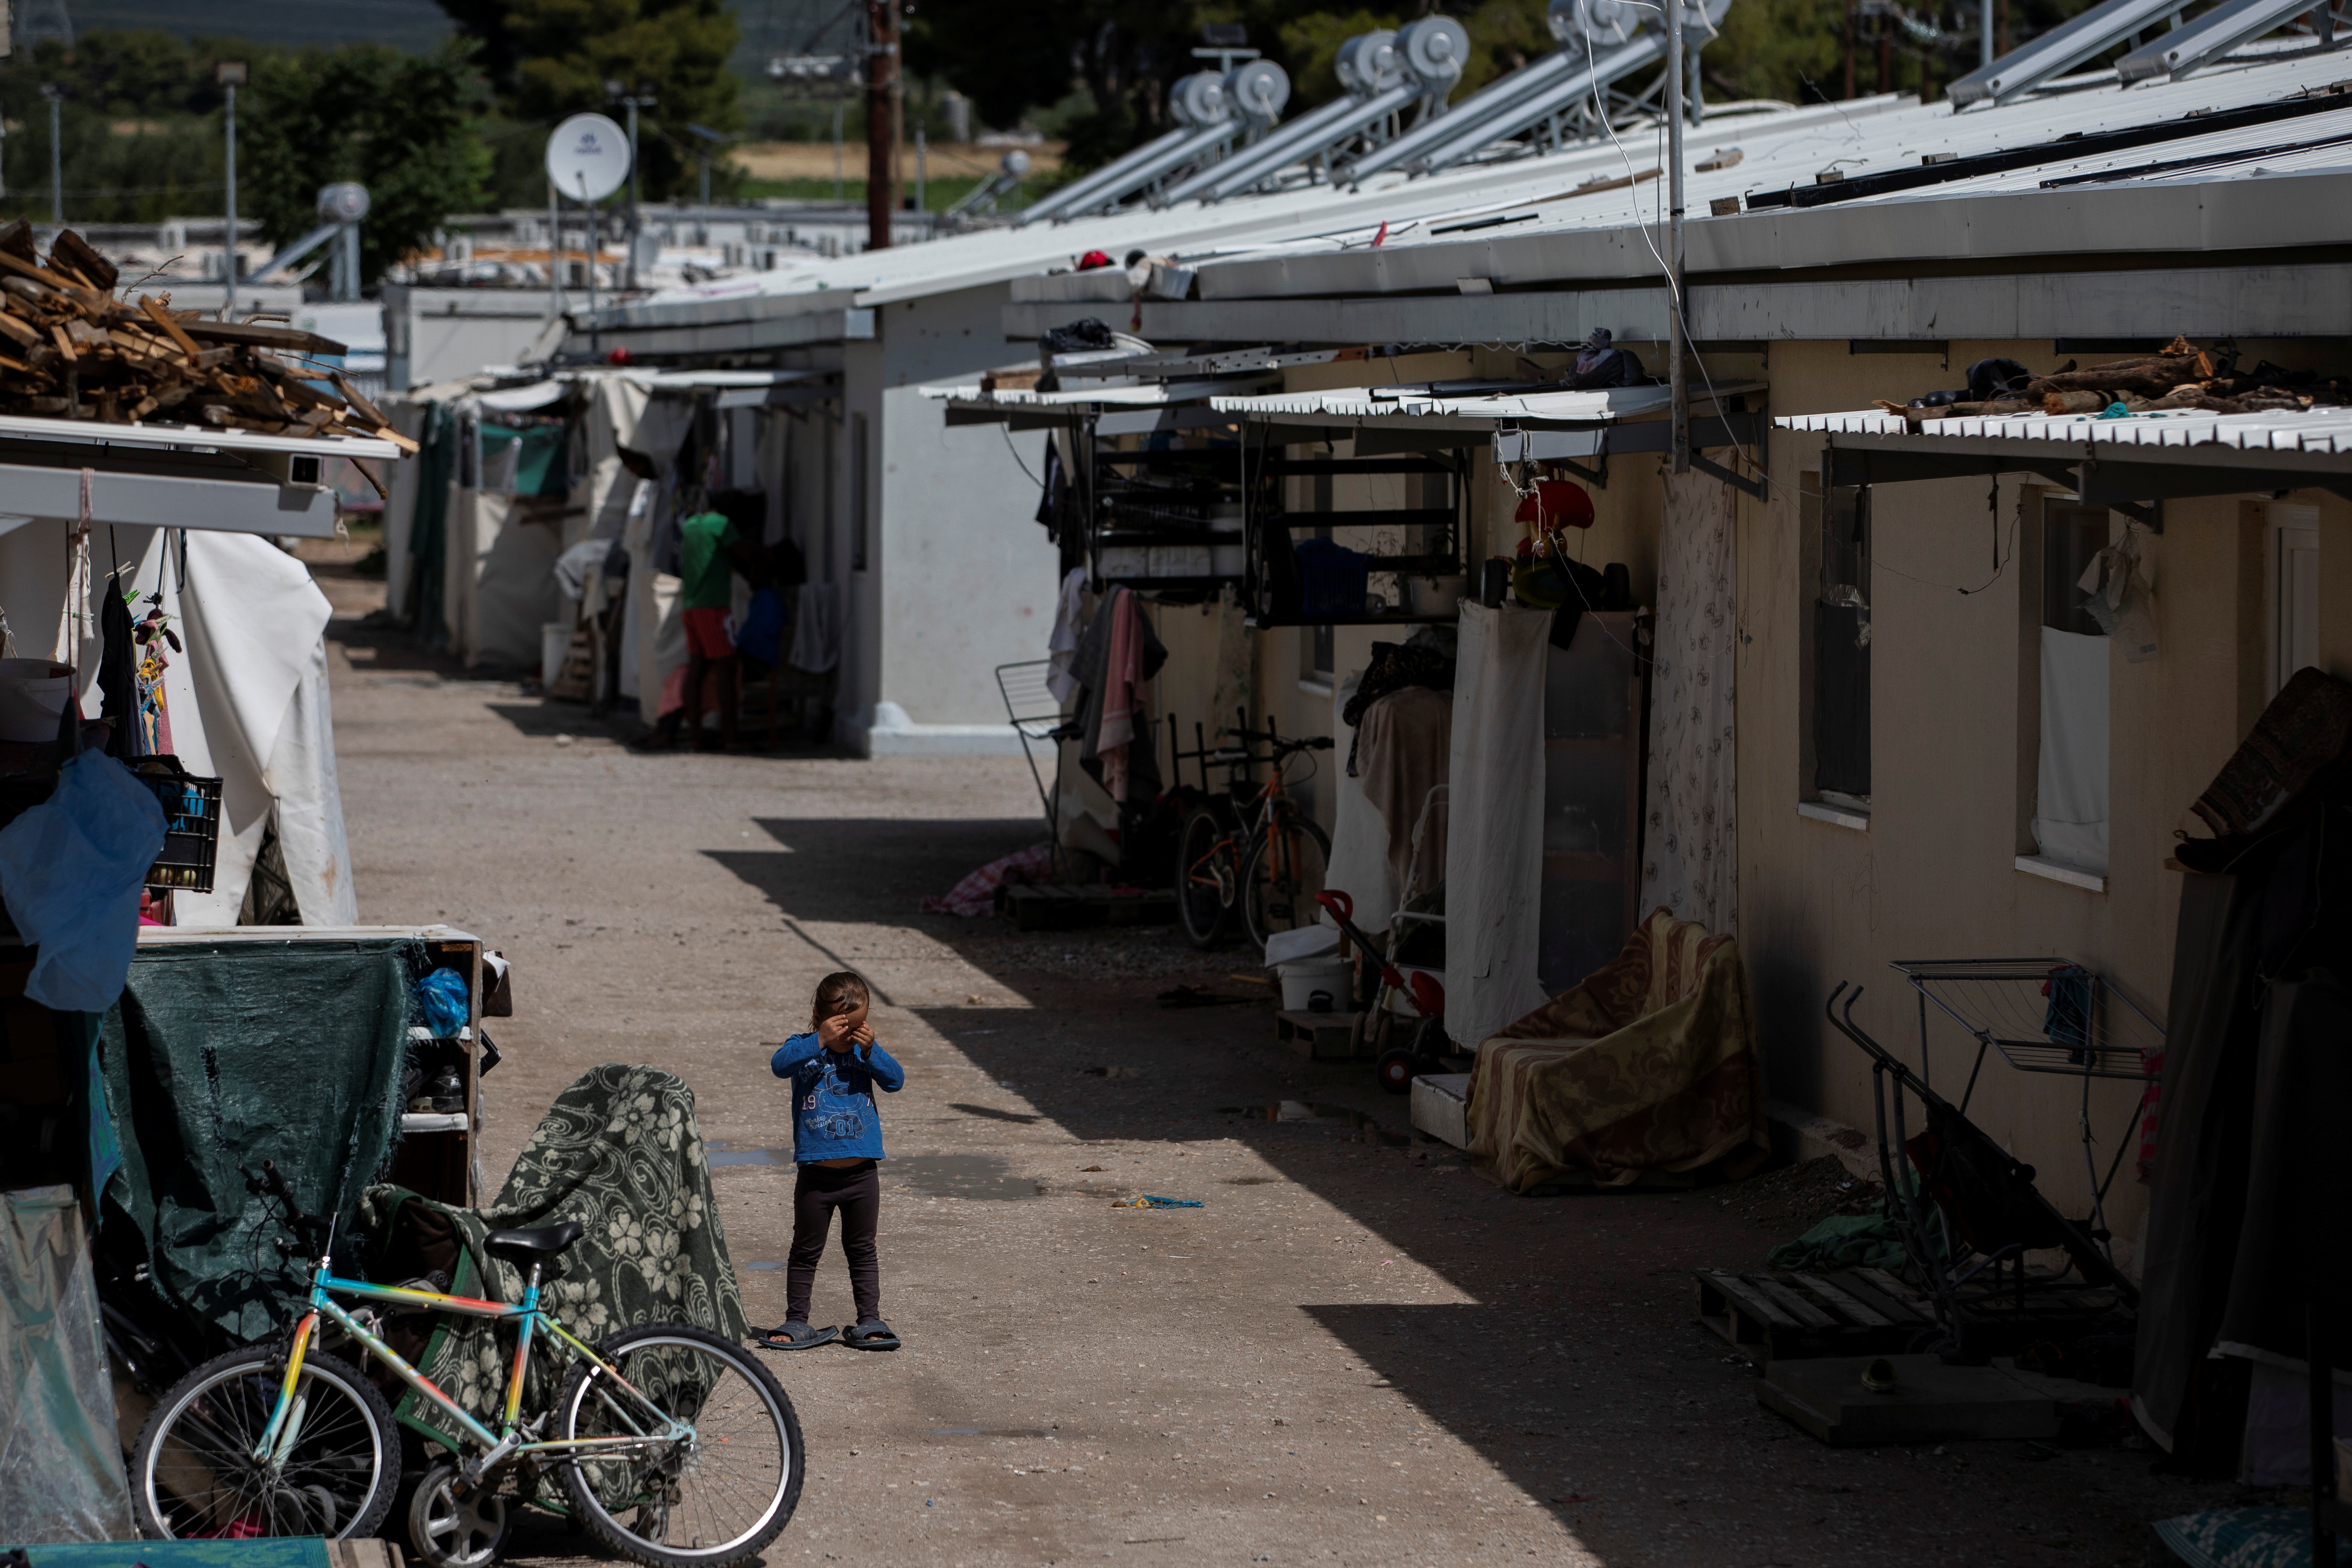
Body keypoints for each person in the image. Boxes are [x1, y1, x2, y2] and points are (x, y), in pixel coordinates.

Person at [759, 972, 905, 1351]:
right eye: (842, 1026)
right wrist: (818, 1040)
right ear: (819, 1016)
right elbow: (779, 1064)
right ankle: (796, 1321)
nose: (848, 1036)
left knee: (862, 1249)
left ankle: (869, 1319)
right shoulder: (805, 1048)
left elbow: (895, 1081)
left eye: (857, 1027)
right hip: (816, 1176)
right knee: (806, 1249)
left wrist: (873, 1050)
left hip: (862, 1176)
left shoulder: (863, 1053)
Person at [677, 503, 742, 751]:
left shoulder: (691, 525)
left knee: (697, 668)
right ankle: (731, 738)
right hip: (713, 605)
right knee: (726, 667)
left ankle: (696, 736)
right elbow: (744, 554)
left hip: (691, 604)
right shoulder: (722, 526)